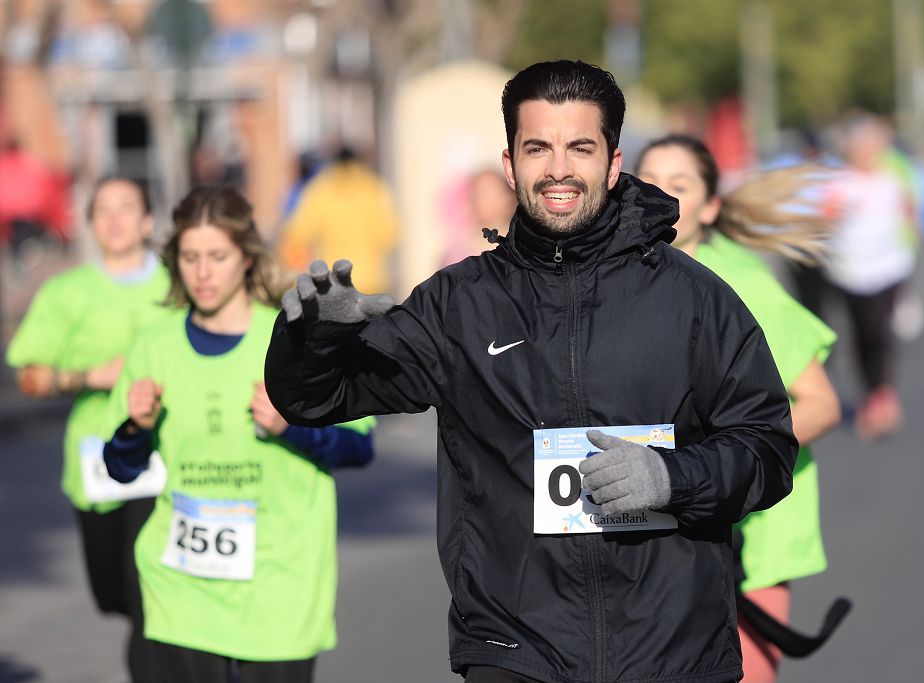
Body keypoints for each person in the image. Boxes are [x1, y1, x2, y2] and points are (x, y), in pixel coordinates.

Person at [266, 60, 798, 683]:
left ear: (614, 162)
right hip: (515, 651)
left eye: (580, 147)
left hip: (670, 651)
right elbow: (317, 398)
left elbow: (767, 449)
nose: (559, 169)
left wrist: (671, 477)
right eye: (538, 147)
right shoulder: (458, 304)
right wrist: (315, 339)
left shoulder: (693, 300)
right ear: (510, 162)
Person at [102, 185, 376, 683]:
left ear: (246, 259)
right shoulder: (153, 345)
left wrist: (292, 427)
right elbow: (120, 469)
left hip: (278, 587)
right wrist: (135, 429)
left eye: (217, 256)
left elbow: (360, 447)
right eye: (189, 257)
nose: (202, 273)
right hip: (181, 591)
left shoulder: (293, 340)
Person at [636, 134, 843, 683]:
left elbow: (820, 404)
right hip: (656, 529)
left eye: (678, 187)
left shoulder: (744, 288)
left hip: (754, 529)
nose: (661, 196)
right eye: (649, 181)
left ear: (709, 207)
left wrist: (720, 466)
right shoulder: (613, 283)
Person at [5, 176, 170, 682]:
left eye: (127, 207)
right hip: (96, 466)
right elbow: (28, 375)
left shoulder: (181, 284)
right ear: (91, 224)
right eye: (103, 210)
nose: (116, 219)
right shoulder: (67, 292)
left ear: (148, 220)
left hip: (168, 458)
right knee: (114, 592)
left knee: (152, 591)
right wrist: (85, 376)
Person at [823, 115, 917, 440]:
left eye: (872, 144)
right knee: (863, 335)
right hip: (851, 272)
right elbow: (826, 219)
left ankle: (883, 396)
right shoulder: (840, 182)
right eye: (860, 145)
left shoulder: (890, 179)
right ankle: (873, 394)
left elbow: (908, 214)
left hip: (889, 269)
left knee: (882, 334)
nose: (866, 151)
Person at [277, 145, 399, 294]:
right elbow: (390, 234)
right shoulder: (374, 188)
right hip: (371, 281)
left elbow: (297, 233)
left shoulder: (321, 189)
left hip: (334, 282)